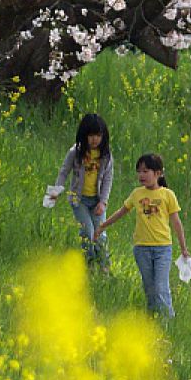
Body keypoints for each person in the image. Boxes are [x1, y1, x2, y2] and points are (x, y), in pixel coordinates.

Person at [95, 153, 190, 317]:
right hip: (141, 249)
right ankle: (153, 318)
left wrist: (183, 248)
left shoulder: (168, 195)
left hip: (163, 249)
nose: (141, 175)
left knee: (161, 286)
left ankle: (168, 319)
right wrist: (103, 226)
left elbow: (176, 222)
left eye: (146, 171)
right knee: (149, 287)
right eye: (139, 171)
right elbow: (121, 211)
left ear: (158, 173)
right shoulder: (137, 194)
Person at [52, 113, 113, 271]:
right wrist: (57, 190)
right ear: (84, 135)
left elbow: (107, 180)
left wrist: (103, 202)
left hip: (97, 201)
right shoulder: (76, 152)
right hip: (78, 200)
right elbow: (64, 171)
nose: (95, 139)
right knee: (87, 231)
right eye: (91, 135)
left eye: (98, 135)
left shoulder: (106, 156)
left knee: (100, 234)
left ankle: (104, 267)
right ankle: (89, 265)